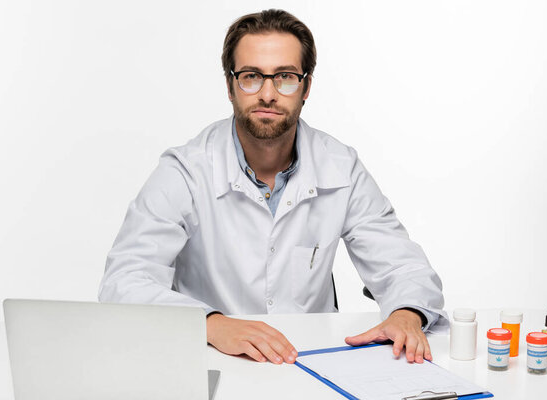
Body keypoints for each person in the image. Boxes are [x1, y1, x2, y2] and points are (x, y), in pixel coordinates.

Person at [99, 9, 446, 366]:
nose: (267, 94)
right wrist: (211, 324)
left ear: (306, 86)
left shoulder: (340, 166)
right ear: (230, 85)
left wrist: (406, 314)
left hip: (309, 361)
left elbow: (404, 267)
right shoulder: (187, 170)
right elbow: (124, 281)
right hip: (210, 359)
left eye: (285, 77)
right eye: (251, 76)